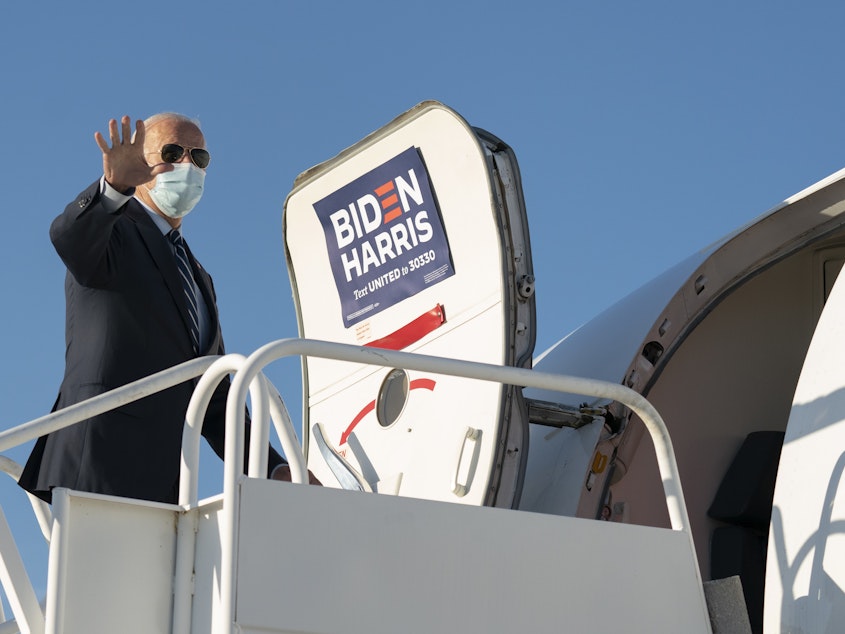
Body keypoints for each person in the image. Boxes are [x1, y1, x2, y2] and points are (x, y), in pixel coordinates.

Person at [19, 113, 314, 504]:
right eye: (172, 153)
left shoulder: (199, 279)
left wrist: (275, 467)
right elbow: (69, 236)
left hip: (165, 485)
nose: (187, 166)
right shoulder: (113, 232)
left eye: (199, 158)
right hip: (95, 469)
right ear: (140, 164)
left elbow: (213, 399)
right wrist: (114, 188)